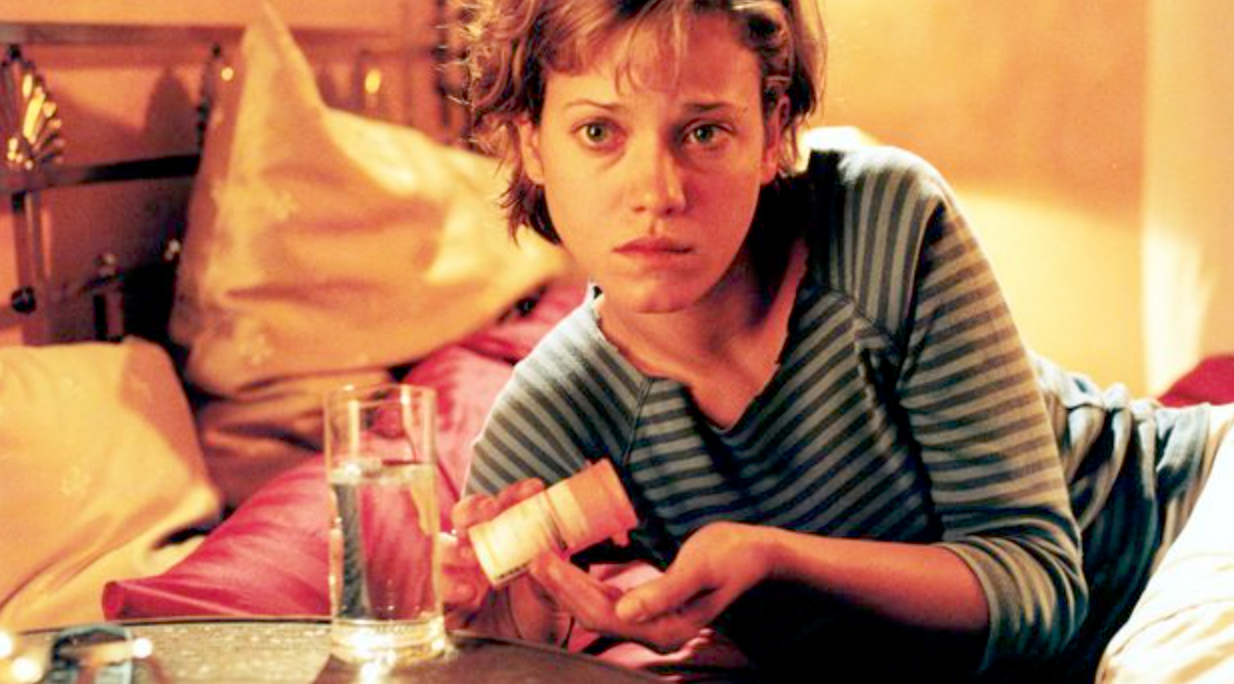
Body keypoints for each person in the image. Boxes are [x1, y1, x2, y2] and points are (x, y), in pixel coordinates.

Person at [437, 1, 1226, 682]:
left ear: (773, 132)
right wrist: (509, 634)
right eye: (598, 131)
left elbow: (1040, 587)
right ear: (531, 144)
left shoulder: (882, 221)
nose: (657, 192)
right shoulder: (546, 430)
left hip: (1189, 518)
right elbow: (489, 653)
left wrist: (776, 557)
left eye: (704, 131)